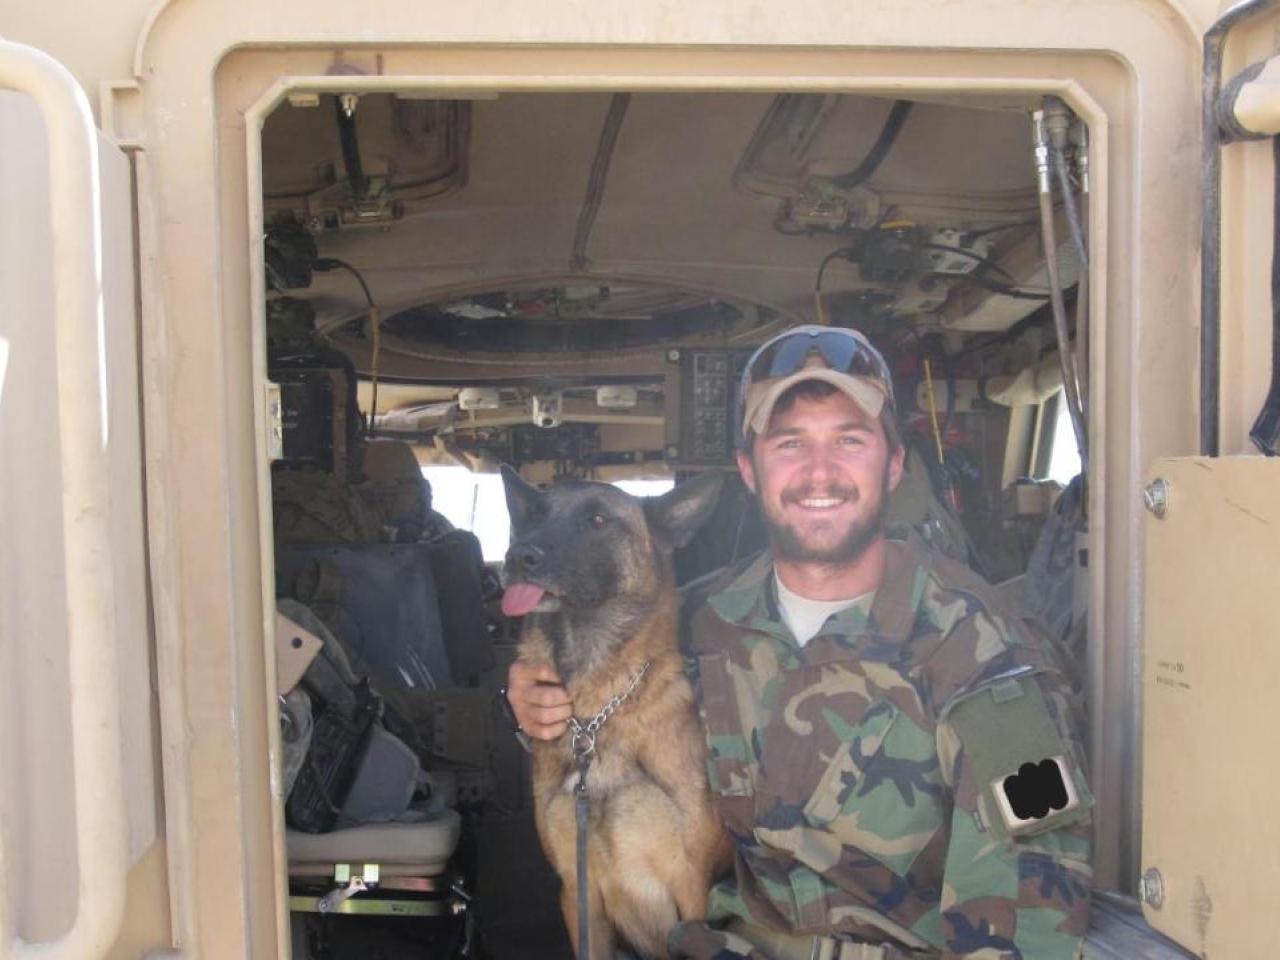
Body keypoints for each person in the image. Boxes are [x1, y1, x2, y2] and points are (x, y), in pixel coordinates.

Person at [505, 326, 1093, 959]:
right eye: (790, 443)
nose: (820, 472)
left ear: (894, 463)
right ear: (749, 470)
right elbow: (598, 677)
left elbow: (1036, 897)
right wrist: (531, 696)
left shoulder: (988, 657)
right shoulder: (701, 619)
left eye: (849, 439)